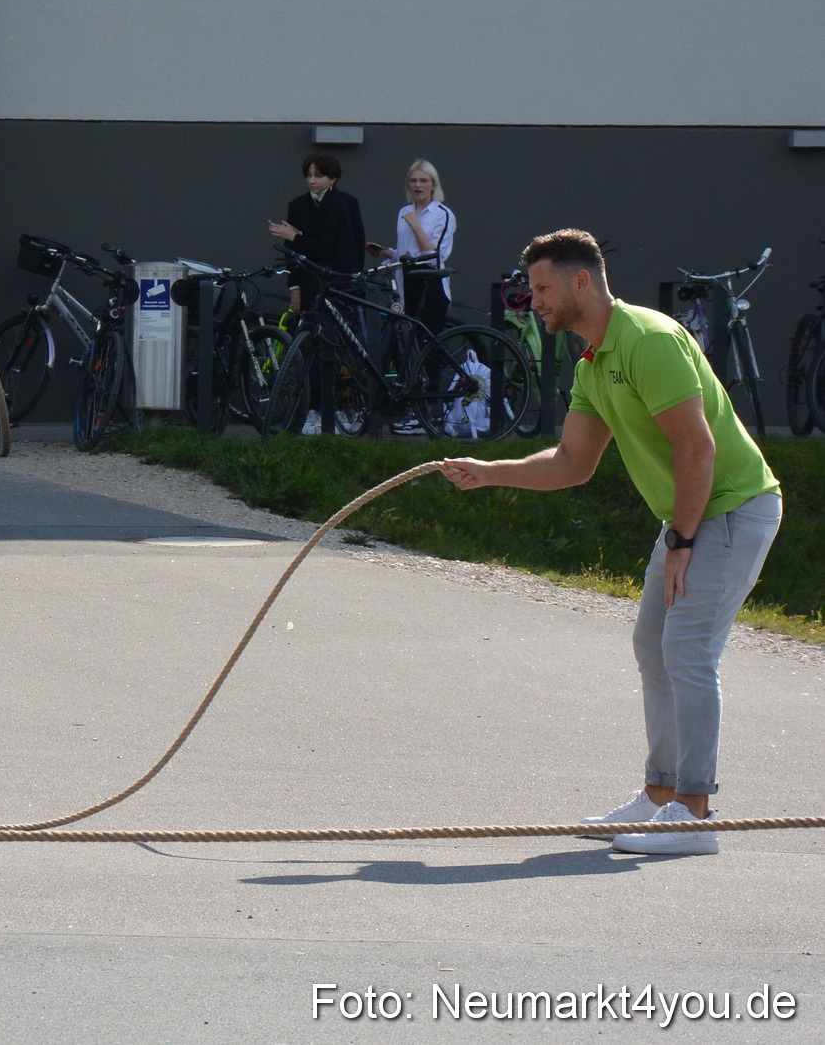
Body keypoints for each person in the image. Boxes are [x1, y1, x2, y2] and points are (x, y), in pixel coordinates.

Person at [442, 229, 781, 856]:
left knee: (686, 649)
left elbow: (697, 447)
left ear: (581, 282)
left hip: (732, 510)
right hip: (691, 517)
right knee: (652, 645)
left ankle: (695, 815)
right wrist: (490, 473)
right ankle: (659, 796)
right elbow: (573, 461)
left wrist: (682, 540)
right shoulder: (593, 360)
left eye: (542, 288)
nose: (533, 301)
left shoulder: (647, 340)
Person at [268, 153, 366, 434]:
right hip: (312, 287)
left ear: (332, 178)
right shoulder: (298, 206)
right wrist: (294, 286)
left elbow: (341, 247)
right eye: (309, 175)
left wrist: (296, 238)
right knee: (311, 347)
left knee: (341, 350)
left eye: (319, 175)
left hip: (338, 286)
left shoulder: (343, 204)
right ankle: (314, 410)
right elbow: (293, 256)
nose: (312, 181)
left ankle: (340, 410)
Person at [367, 158, 456, 335]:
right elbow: (406, 253)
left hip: (430, 284)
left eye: (423, 181)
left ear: (433, 185)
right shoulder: (404, 211)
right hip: (404, 284)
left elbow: (433, 255)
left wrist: (416, 226)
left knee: (428, 344)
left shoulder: (442, 214)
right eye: (413, 181)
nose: (418, 186)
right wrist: (386, 252)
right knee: (406, 345)